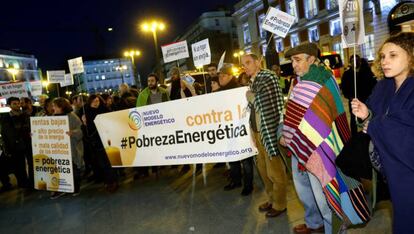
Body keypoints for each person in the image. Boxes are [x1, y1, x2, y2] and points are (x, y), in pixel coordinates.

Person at [281, 43, 370, 234]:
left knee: (325, 196)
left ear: (312, 59)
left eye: (297, 60)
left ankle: (335, 230)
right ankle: (315, 223)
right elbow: (292, 111)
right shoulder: (297, 81)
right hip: (298, 144)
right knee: (304, 190)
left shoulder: (324, 80)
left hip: (319, 148)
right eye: (292, 61)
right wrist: (286, 132)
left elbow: (333, 115)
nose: (294, 65)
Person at [351, 32, 414, 233]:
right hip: (390, 168)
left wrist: (376, 125)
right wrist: (366, 113)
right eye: (383, 56)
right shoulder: (383, 86)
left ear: (411, 56)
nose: (385, 61)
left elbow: (406, 131)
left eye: (393, 55)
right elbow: (376, 114)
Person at [241, 53, 288, 217]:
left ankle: (280, 204)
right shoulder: (253, 81)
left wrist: (250, 96)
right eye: (243, 64)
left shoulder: (268, 77)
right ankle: (272, 199)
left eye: (248, 63)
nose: (244, 66)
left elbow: (263, 103)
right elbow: (252, 111)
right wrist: (252, 132)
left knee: (275, 171)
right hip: (257, 131)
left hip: (269, 130)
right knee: (263, 170)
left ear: (258, 62)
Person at [217, 65, 254, 196]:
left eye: (223, 75)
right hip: (227, 130)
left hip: (241, 129)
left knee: (245, 159)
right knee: (232, 157)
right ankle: (236, 180)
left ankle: (248, 185)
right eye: (219, 76)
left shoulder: (239, 90)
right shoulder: (219, 92)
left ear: (230, 76)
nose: (220, 78)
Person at [135, 73, 169, 178]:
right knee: (152, 147)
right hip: (149, 126)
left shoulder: (164, 92)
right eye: (148, 81)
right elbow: (138, 110)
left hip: (162, 124)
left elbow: (169, 106)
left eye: (152, 81)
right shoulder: (143, 94)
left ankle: (163, 163)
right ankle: (154, 167)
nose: (150, 83)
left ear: (157, 82)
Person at [81, 94, 118, 192]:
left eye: (97, 101)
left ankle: (113, 181)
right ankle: (107, 180)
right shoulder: (87, 113)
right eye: (93, 101)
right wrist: (84, 123)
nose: (96, 103)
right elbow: (86, 131)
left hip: (107, 139)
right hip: (96, 141)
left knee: (109, 161)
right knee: (102, 163)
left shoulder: (105, 110)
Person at [50, 98, 84, 199]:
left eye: (55, 106)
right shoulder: (52, 118)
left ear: (61, 107)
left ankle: (75, 187)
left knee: (73, 169)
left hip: (72, 148)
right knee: (61, 169)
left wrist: (73, 132)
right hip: (59, 149)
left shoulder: (72, 117)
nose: (53, 108)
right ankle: (62, 188)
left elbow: (81, 131)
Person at [341, 54, 377, 137]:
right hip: (354, 100)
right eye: (353, 60)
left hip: (366, 100)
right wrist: (350, 97)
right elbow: (344, 87)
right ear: (350, 62)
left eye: (357, 60)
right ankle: (354, 136)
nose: (355, 62)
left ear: (360, 61)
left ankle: (367, 134)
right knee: (354, 119)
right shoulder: (347, 74)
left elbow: (373, 85)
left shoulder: (367, 72)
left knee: (366, 118)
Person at [1, 97, 32, 189]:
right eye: (14, 104)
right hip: (16, 146)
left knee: (31, 163)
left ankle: (31, 181)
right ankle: (23, 183)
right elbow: (7, 134)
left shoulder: (25, 115)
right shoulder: (6, 118)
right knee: (19, 166)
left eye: (18, 103)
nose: (17, 105)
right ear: (9, 105)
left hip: (27, 143)